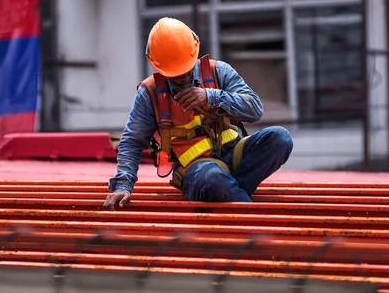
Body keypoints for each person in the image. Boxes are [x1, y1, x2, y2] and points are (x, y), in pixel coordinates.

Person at [103, 17, 293, 210]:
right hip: (197, 169)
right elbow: (132, 141)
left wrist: (212, 97)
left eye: (185, 71)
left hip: (234, 154)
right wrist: (124, 185)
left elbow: (254, 109)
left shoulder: (218, 71)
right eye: (175, 75)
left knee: (281, 138)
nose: (182, 78)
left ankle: (225, 192)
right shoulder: (150, 93)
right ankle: (243, 209)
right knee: (212, 178)